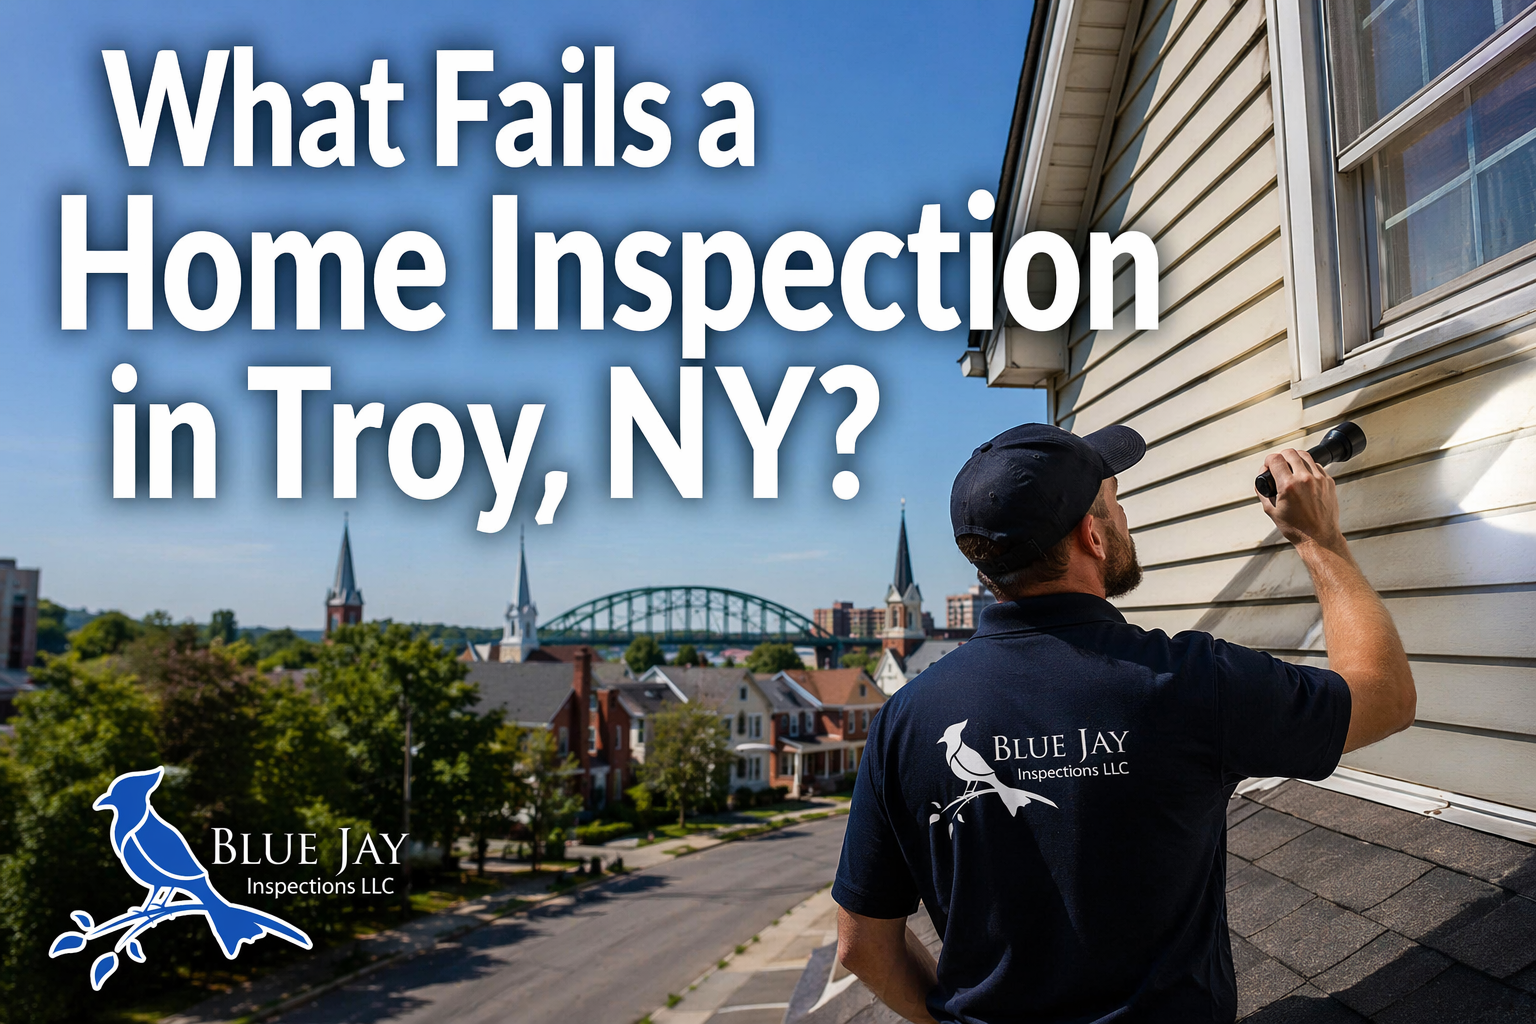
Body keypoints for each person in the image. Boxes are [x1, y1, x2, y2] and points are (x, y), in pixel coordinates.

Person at [831, 423, 1415, 1024]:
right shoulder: (1190, 682)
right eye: (1115, 503)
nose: (1124, 517)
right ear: (1093, 535)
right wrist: (1319, 540)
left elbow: (862, 946)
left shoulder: (905, 718)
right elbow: (1385, 697)